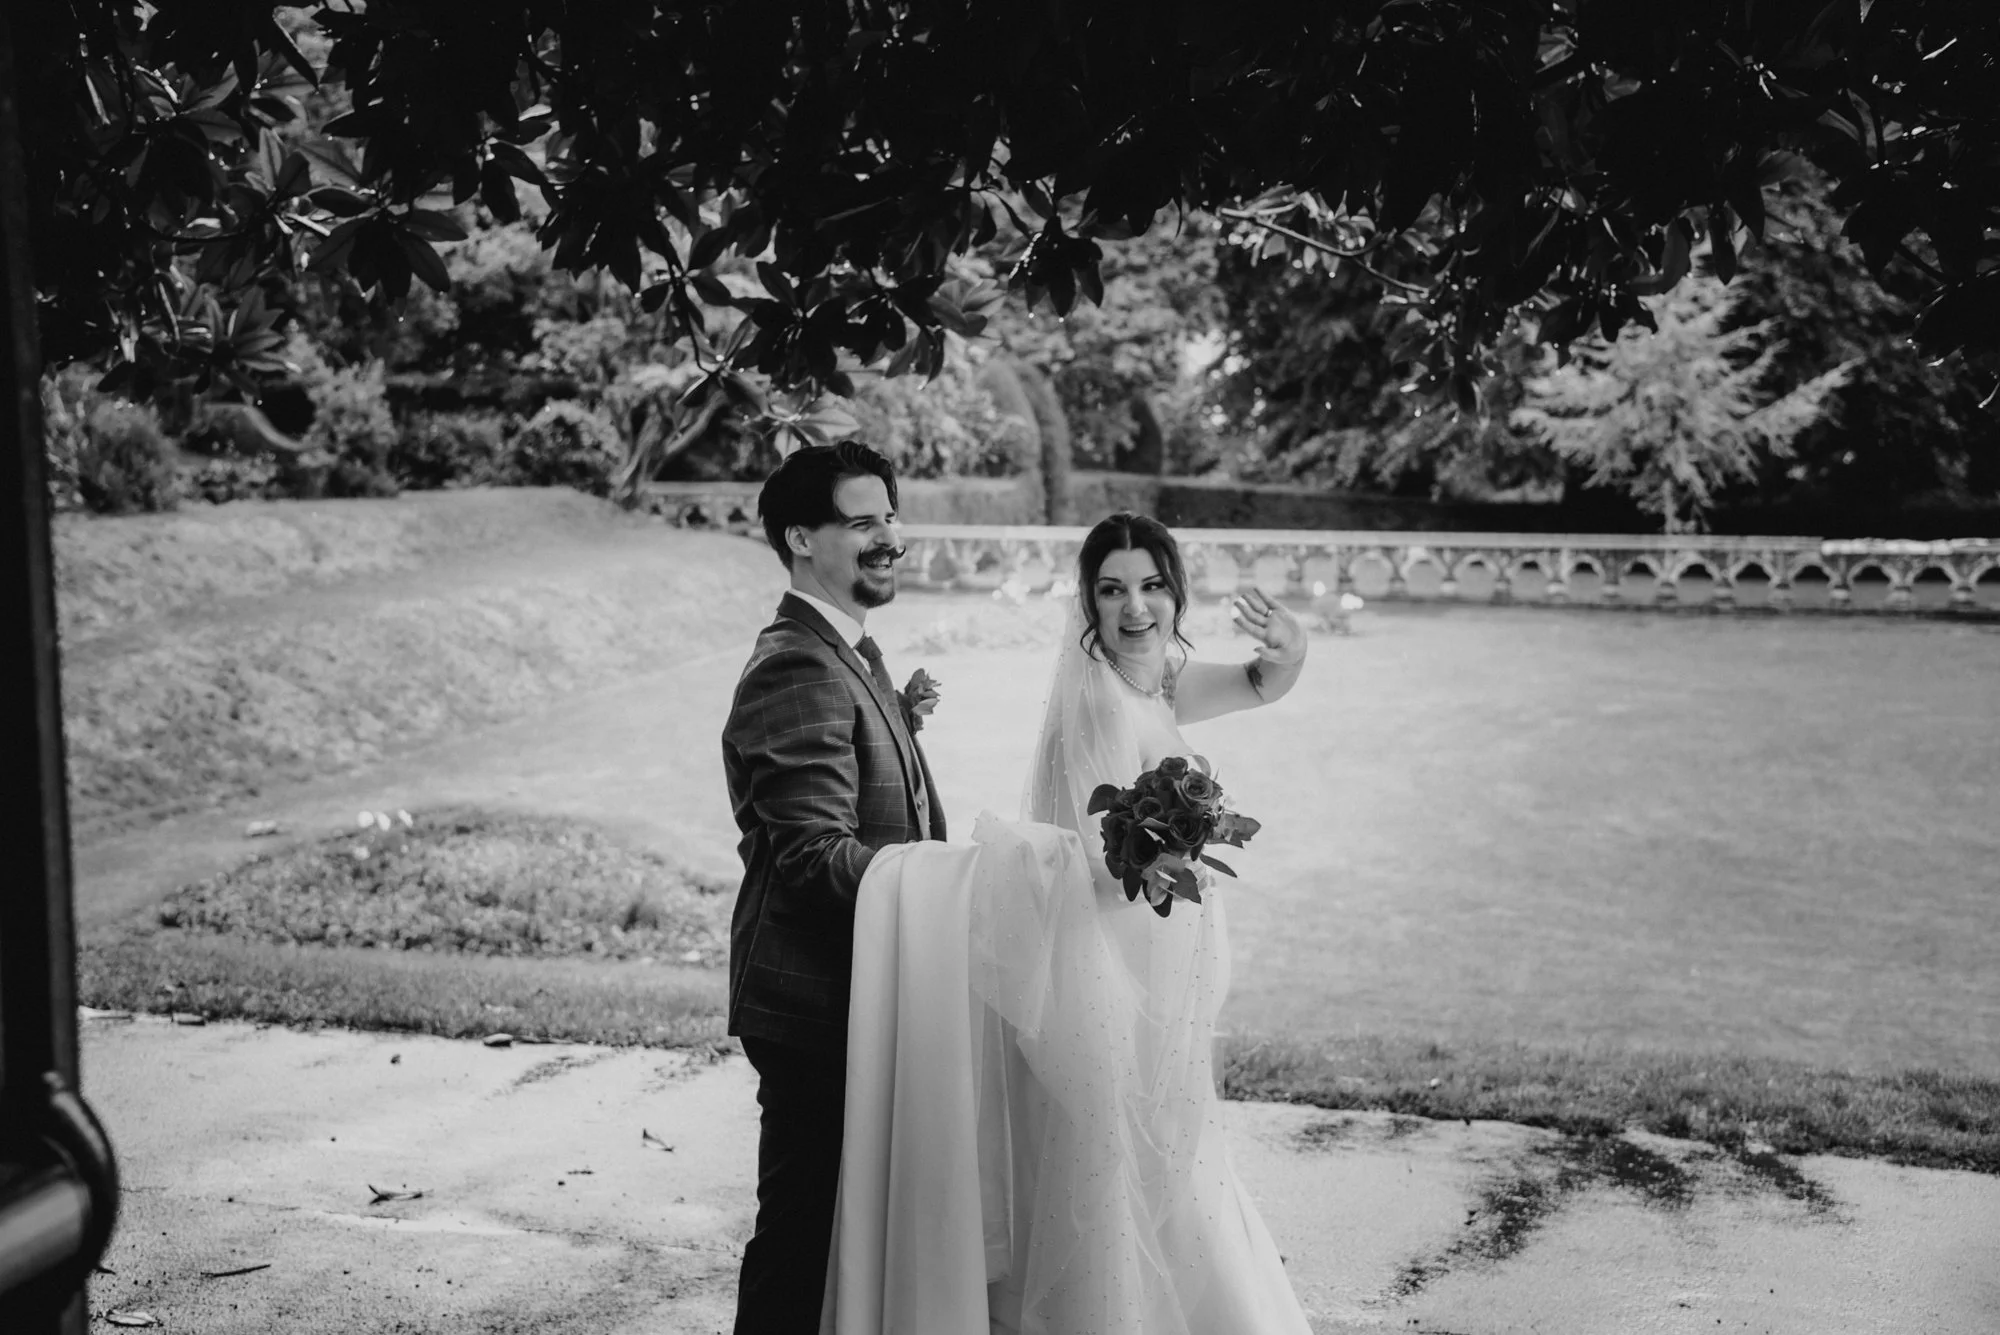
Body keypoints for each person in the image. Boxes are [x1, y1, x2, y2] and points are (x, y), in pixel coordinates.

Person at [823, 511, 1313, 1335]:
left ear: (1175, 591)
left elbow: (1262, 684)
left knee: (1168, 1152)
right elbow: (1092, 850)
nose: (1135, 608)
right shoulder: (1091, 694)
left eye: (1152, 586)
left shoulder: (1153, 676)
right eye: (1113, 589)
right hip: (1105, 966)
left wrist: (1288, 650)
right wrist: (1162, 847)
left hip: (1160, 959)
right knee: (1115, 1163)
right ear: (1087, 599)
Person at [721, 441, 945, 1335]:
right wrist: (946, 890)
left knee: (840, 1239)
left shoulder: (846, 648)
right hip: (818, 1005)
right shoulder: (796, 663)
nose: (889, 536)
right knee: (803, 1240)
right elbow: (815, 854)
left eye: (890, 515)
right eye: (863, 522)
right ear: (801, 538)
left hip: (863, 994)